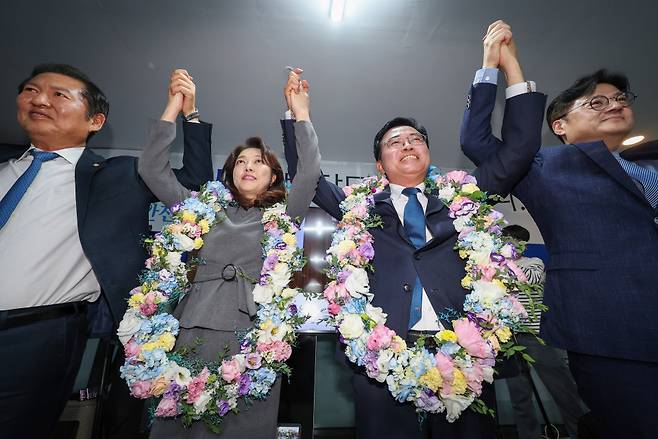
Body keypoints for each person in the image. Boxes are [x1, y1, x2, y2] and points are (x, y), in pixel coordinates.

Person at [282, 57, 545, 437]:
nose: (407, 144)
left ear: (427, 153)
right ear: (379, 165)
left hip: (463, 356)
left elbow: (520, 150)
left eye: (415, 139)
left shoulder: (463, 198)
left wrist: (499, 67)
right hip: (383, 359)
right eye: (394, 142)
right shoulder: (359, 208)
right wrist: (298, 115)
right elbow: (306, 174)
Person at [461, 20, 658, 439]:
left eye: (620, 99)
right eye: (596, 102)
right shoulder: (542, 169)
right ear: (560, 126)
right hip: (613, 333)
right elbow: (478, 141)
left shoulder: (649, 166)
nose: (614, 105)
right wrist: (502, 66)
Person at [0, 64, 213, 438]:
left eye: (60, 95)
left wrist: (189, 114)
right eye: (31, 90)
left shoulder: (118, 175)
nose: (40, 99)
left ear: (95, 120)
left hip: (37, 332)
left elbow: (193, 183)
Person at [141, 71, 321, 438]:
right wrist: (177, 106)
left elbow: (310, 173)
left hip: (252, 339)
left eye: (258, 162)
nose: (248, 166)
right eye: (241, 162)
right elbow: (151, 170)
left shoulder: (284, 214)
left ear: (273, 177)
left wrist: (301, 114)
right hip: (191, 327)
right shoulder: (202, 208)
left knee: (242, 428)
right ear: (230, 173)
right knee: (179, 426)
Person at [502, 225, 585, 439]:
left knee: (563, 390)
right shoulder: (495, 267)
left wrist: (500, 265)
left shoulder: (534, 263)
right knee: (520, 398)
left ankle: (580, 432)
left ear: (524, 245)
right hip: (509, 340)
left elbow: (528, 279)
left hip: (535, 337)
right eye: (507, 241)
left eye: (516, 242)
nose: (512, 246)